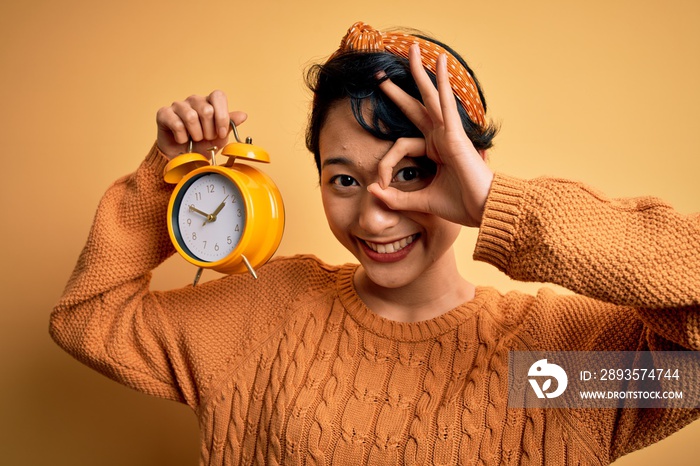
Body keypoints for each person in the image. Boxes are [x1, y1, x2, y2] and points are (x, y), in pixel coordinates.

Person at [50, 21, 699, 465]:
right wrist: (164, 176)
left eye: (413, 171)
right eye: (344, 178)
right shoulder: (270, 313)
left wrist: (500, 206)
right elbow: (89, 318)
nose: (377, 212)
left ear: (469, 166)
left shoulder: (542, 367)